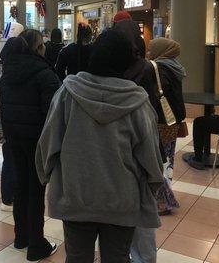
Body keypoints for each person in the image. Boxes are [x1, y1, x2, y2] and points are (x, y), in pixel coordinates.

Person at [36, 28, 163, 263]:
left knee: (77, 257)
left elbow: (48, 143)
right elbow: (151, 157)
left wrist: (46, 176)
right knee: (117, 258)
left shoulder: (67, 93)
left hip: (76, 195)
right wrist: (153, 184)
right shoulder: (138, 102)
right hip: (122, 199)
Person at [0, 29, 60, 261]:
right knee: (35, 190)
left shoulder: (8, 70)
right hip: (37, 141)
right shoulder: (44, 74)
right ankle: (37, 245)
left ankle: (21, 237)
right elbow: (52, 114)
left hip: (14, 138)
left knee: (20, 187)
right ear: (37, 48)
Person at [114, 19, 163, 263]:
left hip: (114, 149)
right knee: (143, 213)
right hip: (142, 140)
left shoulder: (108, 69)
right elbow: (152, 104)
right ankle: (143, 258)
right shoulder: (145, 67)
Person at [148, 38, 186, 215]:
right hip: (172, 120)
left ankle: (163, 201)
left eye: (151, 48)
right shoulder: (175, 66)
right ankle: (165, 193)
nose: (148, 52)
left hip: (161, 120)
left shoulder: (158, 68)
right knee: (167, 159)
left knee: (158, 159)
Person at [0, 36, 25, 212]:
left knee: (10, 160)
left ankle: (8, 197)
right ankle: (7, 197)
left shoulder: (1, 69)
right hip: (11, 124)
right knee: (11, 162)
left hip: (5, 123)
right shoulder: (12, 71)